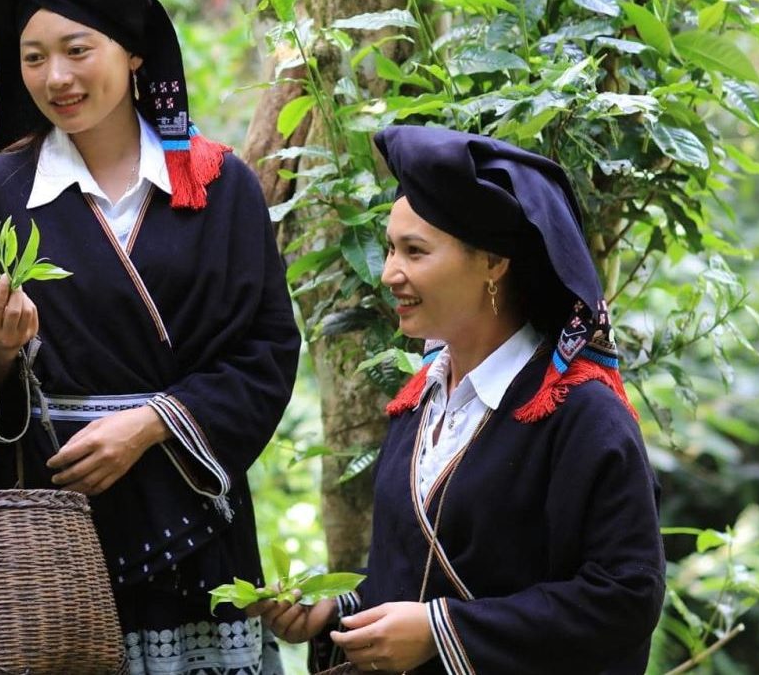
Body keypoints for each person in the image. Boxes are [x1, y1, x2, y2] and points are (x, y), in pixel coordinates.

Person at [0, 0, 301, 674]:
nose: (56, 78)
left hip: (193, 516)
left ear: (133, 52)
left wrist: (154, 422)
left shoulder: (219, 185)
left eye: (77, 49)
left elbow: (268, 349)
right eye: (33, 57)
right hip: (47, 525)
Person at [252, 125, 665, 675]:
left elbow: (626, 596)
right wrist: (341, 611)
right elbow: (420, 573)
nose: (389, 273)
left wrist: (442, 631)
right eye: (391, 248)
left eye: (415, 251)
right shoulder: (421, 398)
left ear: (493, 262)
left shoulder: (582, 413)